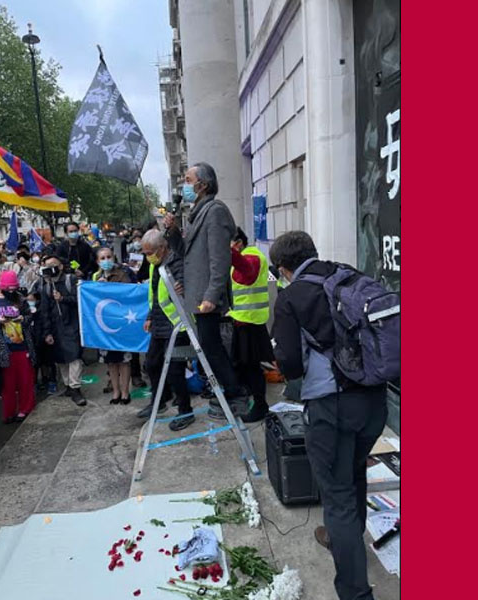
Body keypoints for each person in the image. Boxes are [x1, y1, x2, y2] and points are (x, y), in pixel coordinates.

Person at [269, 231, 388, 600]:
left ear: (284, 268)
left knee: (336, 495)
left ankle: (354, 589)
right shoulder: (348, 276)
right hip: (374, 402)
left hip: (332, 407)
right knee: (353, 475)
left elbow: (288, 364)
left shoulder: (291, 298)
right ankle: (344, 540)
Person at [180, 162, 247, 418]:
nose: (184, 185)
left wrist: (212, 295)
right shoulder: (197, 213)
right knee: (209, 346)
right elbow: (186, 254)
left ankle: (235, 393)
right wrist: (173, 230)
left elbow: (220, 260)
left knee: (212, 346)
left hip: (206, 295)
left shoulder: (215, 211)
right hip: (197, 293)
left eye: (188, 180)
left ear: (202, 185)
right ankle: (227, 391)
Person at [138, 229, 195, 431]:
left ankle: (185, 410)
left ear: (162, 248)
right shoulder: (155, 265)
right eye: (144, 252)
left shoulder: (176, 263)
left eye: (149, 252)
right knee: (152, 364)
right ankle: (159, 401)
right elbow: (155, 295)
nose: (147, 256)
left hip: (178, 326)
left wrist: (185, 287)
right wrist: (150, 316)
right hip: (160, 325)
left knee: (175, 370)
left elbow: (187, 289)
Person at [227, 227, 275, 423]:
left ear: (238, 243)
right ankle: (251, 399)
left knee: (252, 367)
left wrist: (228, 252)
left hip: (250, 321)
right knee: (244, 365)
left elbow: (246, 274)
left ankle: (260, 405)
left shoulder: (252, 256)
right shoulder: (245, 256)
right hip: (243, 320)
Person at [0, 271, 37, 423]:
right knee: (8, 383)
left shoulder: (19, 298)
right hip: (3, 348)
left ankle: (25, 408)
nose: (11, 291)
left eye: (14, 288)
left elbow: (29, 316)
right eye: (9, 288)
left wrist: (22, 319)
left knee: (25, 380)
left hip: (22, 345)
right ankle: (9, 412)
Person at [37, 255, 87, 406]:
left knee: (74, 357)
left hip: (72, 325)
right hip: (56, 327)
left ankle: (76, 387)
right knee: (61, 359)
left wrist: (63, 299)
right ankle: (67, 386)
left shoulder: (70, 280)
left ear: (60, 266)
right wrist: (47, 332)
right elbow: (44, 311)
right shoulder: (46, 287)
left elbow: (81, 300)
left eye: (53, 264)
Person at [92, 247, 134, 405]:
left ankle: (125, 392)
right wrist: (98, 286)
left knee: (124, 360)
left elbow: (128, 294)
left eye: (109, 257)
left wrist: (108, 288)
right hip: (104, 325)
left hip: (121, 323)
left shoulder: (123, 274)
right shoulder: (95, 276)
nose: (106, 260)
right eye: (102, 258)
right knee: (111, 361)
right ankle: (115, 391)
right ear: (97, 261)